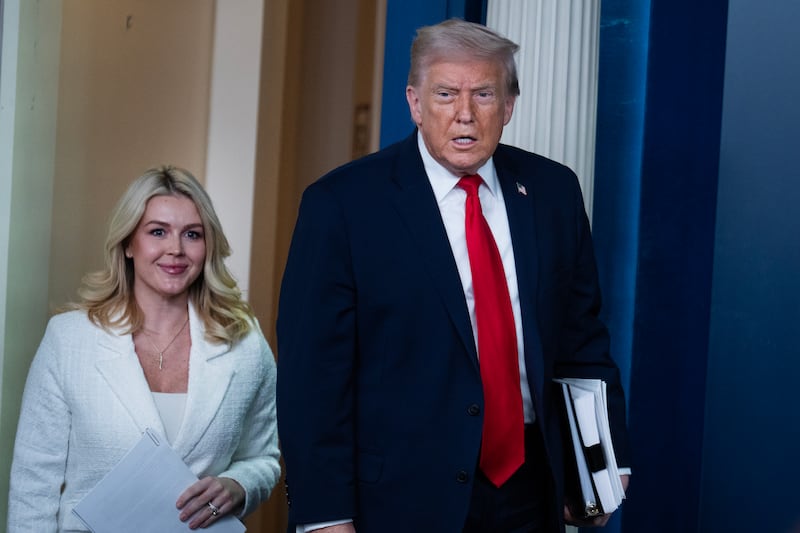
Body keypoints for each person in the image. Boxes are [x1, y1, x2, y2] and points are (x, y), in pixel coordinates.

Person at [276, 18, 630, 533]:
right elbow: (313, 378)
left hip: (531, 490)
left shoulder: (553, 191)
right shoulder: (342, 205)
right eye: (445, 94)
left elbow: (582, 341)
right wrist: (323, 516)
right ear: (415, 103)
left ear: (508, 106)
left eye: (483, 94)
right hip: (398, 498)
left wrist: (602, 468)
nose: (465, 113)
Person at [7, 166, 281, 531]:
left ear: (208, 246)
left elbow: (264, 457)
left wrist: (239, 485)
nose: (176, 249)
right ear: (128, 244)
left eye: (192, 234)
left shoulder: (244, 342)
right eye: (157, 232)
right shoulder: (70, 339)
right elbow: (33, 483)